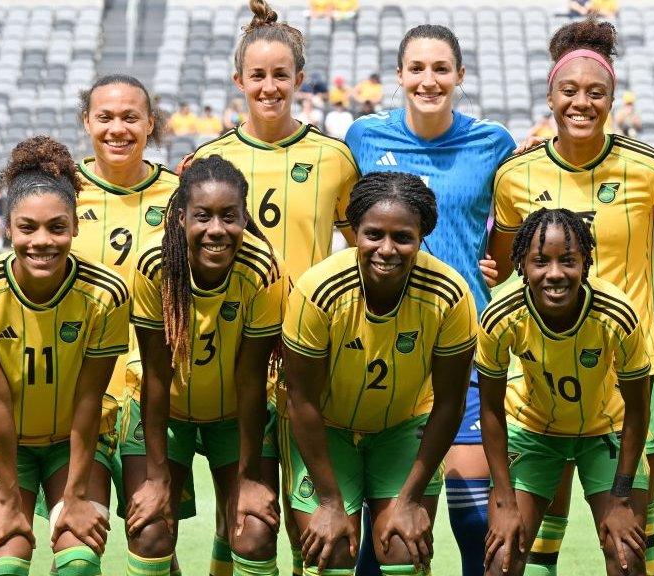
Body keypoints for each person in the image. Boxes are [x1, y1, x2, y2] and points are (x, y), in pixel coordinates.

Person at [488, 18, 654, 576]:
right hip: (542, 371)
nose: (582, 103)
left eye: (595, 93)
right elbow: (506, 266)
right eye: (569, 91)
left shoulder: (652, 169)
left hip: (629, 373)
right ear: (550, 95)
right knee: (537, 518)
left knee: (630, 532)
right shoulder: (515, 176)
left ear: (612, 98)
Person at [189, 2, 359, 572]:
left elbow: (365, 251)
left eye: (280, 75)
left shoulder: (334, 158)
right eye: (257, 76)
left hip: (309, 360)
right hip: (234, 360)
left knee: (315, 528)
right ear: (238, 81)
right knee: (242, 519)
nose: (269, 87)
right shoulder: (207, 161)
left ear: (299, 80)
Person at [343, 23, 516, 576]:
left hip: (462, 344)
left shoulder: (493, 143)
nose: (428, 80)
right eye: (416, 68)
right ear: (399, 76)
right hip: (383, 345)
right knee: (392, 523)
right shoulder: (364, 137)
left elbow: (507, 231)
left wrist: (496, 264)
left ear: (459, 76)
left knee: (472, 520)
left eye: (441, 69)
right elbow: (355, 228)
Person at [282, 171, 476, 576]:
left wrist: (409, 500)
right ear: (355, 231)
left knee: (404, 548)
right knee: (331, 550)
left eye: (402, 237)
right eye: (373, 235)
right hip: (327, 430)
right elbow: (301, 401)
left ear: (421, 236)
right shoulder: (317, 290)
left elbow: (450, 403)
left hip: (403, 428)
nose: (386, 249)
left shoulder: (451, 294)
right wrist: (331, 503)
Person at [0, 135, 129, 576]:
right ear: (7, 227)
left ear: (75, 226)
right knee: (3, 567)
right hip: (0, 441)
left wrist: (75, 497)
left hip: (74, 443)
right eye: (27, 228)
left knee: (80, 563)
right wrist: (10, 503)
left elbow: (90, 400)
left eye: (57, 226)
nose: (42, 241)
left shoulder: (106, 295)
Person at [123, 156, 285, 576]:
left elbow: (252, 379)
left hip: (235, 413)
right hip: (166, 411)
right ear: (180, 218)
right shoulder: (153, 265)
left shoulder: (262, 267)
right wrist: (157, 479)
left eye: (229, 217)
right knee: (150, 528)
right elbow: (156, 376)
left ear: (245, 217)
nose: (217, 230)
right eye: (203, 216)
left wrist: (249, 478)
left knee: (255, 529)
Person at [479, 208, 652, 576]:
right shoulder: (500, 317)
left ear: (586, 263)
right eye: (541, 261)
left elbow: (638, 410)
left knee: (627, 557)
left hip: (606, 432)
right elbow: (491, 410)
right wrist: (505, 501)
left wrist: (621, 498)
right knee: (501, 559)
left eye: (568, 261)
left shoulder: (617, 313)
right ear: (521, 265)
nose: (555, 274)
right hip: (533, 431)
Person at [74, 74, 196, 572]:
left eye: (131, 117)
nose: (118, 128)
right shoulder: (59, 194)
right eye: (105, 117)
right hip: (82, 389)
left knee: (153, 529)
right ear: (87, 123)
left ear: (151, 123)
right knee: (80, 539)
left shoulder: (182, 196)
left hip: (157, 388)